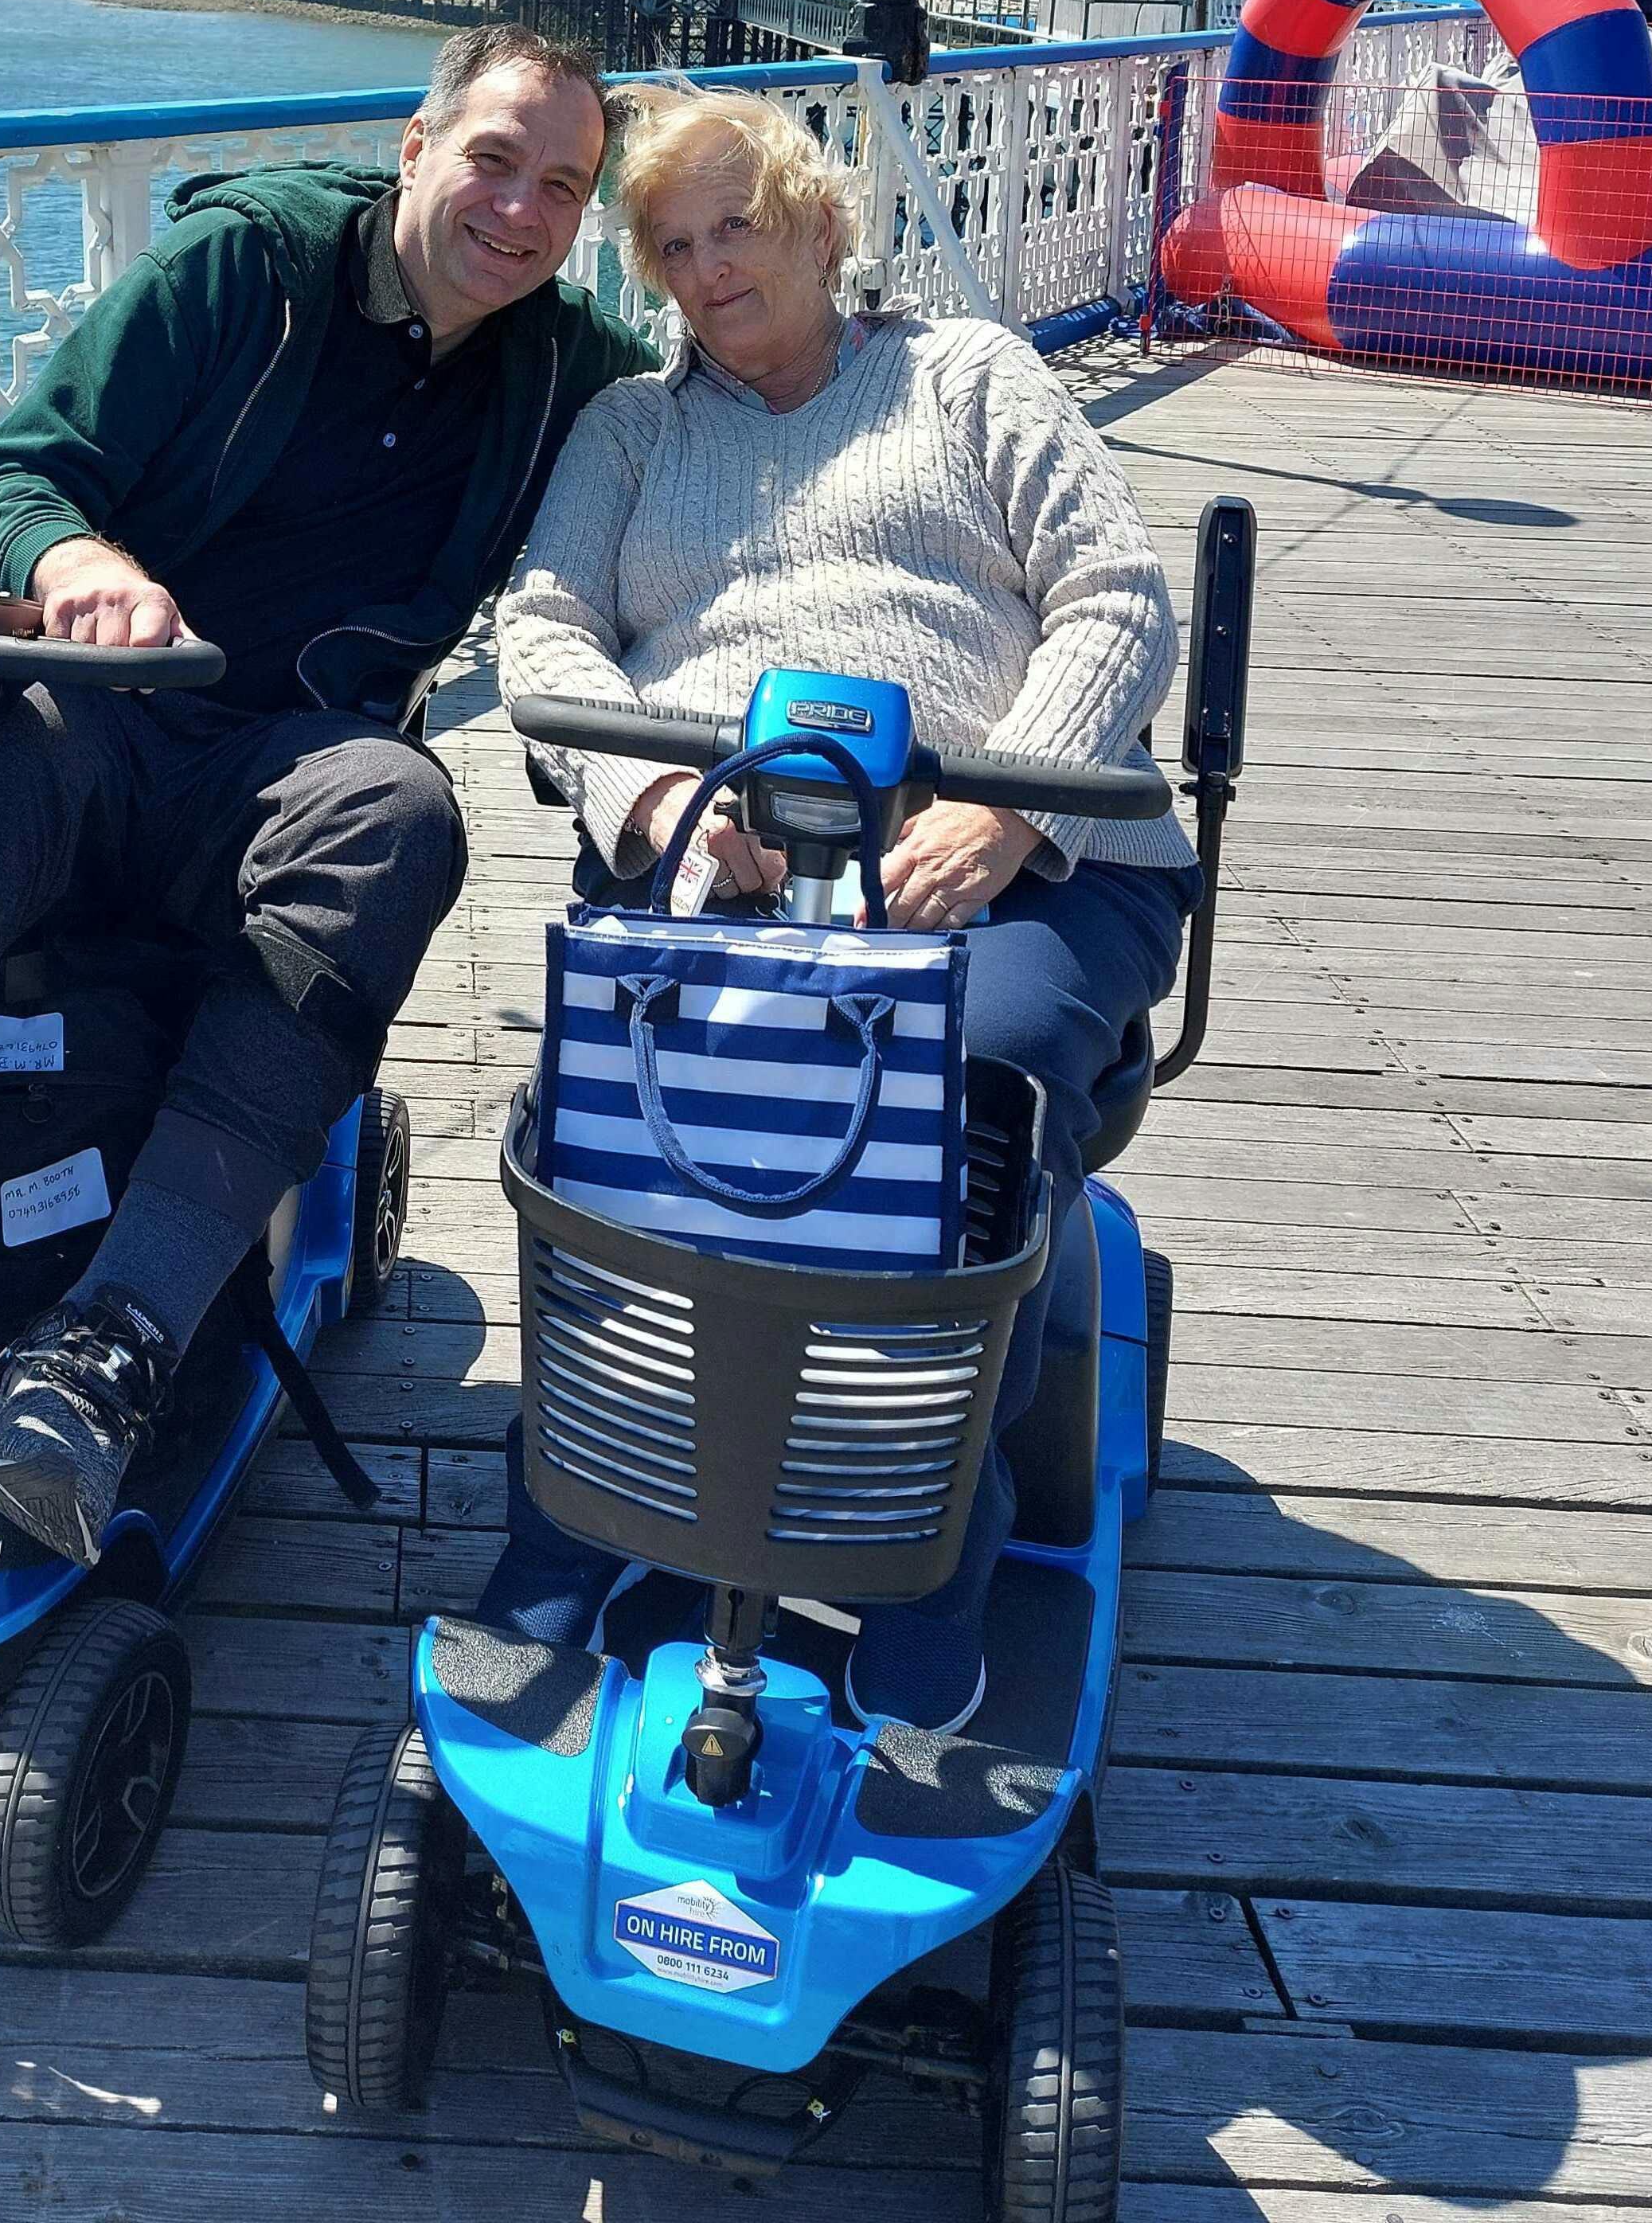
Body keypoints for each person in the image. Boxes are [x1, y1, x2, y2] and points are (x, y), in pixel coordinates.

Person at [0, 22, 651, 1556]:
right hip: (94, 713)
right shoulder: (246, 272)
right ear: (415, 150)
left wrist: (875, 356)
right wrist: (83, 564)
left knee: (402, 807)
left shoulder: (568, 376)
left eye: (566, 187)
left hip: (284, 762)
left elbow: (724, 414)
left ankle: (108, 1350)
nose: (522, 211)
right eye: (493, 159)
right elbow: (11, 484)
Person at [489, 84, 1194, 1735]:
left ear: (818, 218)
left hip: (1009, 851)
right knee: (608, 1106)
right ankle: (580, 1494)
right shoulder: (633, 428)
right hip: (725, 840)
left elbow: (1118, 590)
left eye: (736, 222)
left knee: (970, 1089)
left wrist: (1010, 801)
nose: (707, 264)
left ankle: (924, 1545)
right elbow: (541, 635)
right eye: (671, 243)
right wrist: (657, 798)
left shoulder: (964, 374)